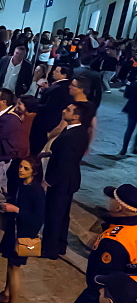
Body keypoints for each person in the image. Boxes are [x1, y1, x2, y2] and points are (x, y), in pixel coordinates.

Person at [0, 156, 45, 303]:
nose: (21, 170)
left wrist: (16, 210)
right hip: (14, 231)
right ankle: (6, 294)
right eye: (21, 167)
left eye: (26, 168)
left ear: (34, 172)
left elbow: (38, 217)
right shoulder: (22, 185)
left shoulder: (36, 190)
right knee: (10, 265)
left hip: (23, 234)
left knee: (14, 269)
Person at [42, 101, 94, 259]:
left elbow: (65, 162)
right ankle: (59, 246)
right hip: (68, 180)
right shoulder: (77, 131)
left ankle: (50, 250)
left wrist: (48, 181)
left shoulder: (72, 135)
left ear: (77, 116)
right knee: (62, 215)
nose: (64, 110)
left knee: (54, 215)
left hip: (61, 181)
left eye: (68, 109)